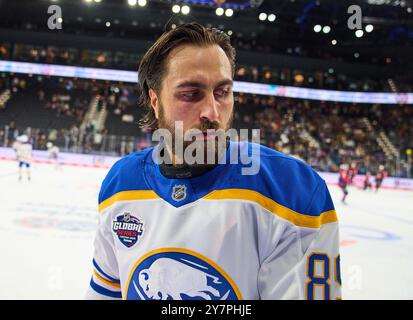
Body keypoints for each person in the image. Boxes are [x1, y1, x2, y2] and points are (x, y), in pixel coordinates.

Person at [85, 23, 341, 300]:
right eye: (191, 94)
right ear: (155, 101)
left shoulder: (291, 191)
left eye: (222, 92)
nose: (212, 111)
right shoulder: (120, 184)